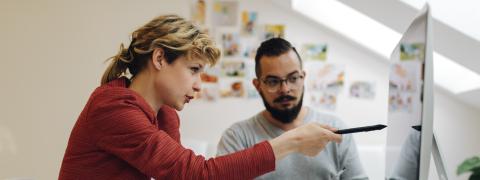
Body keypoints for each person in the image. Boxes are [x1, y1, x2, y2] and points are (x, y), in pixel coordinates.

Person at [59, 15, 343, 179]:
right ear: (159, 58)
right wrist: (292, 141)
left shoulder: (164, 113)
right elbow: (197, 175)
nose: (198, 85)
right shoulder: (113, 108)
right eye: (194, 70)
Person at [217, 38, 368, 180]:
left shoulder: (335, 129)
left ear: (303, 78)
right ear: (258, 86)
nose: (285, 89)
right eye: (273, 81)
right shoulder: (237, 137)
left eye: (293, 78)